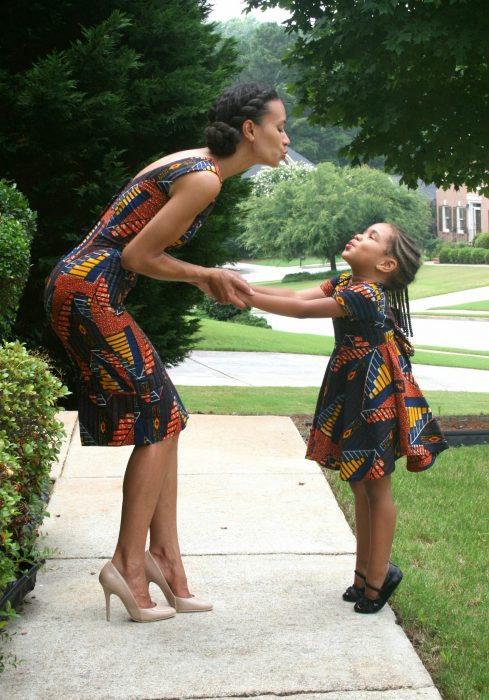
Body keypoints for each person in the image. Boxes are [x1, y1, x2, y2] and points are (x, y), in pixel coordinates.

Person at [44, 83, 290, 622]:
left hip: (82, 288)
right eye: (279, 126)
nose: (286, 139)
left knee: (167, 417)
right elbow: (136, 255)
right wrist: (204, 276)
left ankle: (166, 563)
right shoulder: (203, 179)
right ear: (250, 130)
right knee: (157, 417)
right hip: (89, 293)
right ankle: (128, 566)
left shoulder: (195, 166)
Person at [237, 222, 448, 614]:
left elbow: (300, 311)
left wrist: (242, 297)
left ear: (386, 264)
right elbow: (294, 294)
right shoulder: (348, 281)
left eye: (371, 237)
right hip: (353, 382)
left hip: (374, 390)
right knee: (359, 483)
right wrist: (241, 287)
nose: (358, 236)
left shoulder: (367, 292)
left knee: (376, 487)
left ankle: (379, 576)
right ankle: (363, 575)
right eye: (364, 231)